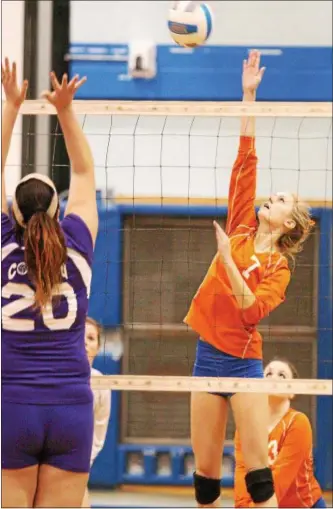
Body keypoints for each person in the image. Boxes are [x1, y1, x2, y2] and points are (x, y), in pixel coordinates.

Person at [184, 50, 314, 508]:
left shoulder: (278, 269)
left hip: (243, 365)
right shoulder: (240, 225)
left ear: (287, 224)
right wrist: (248, 95)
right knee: (204, 476)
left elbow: (252, 311)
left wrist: (228, 261)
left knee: (259, 476)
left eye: (280, 200)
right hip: (206, 357)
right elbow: (245, 159)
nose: (270, 198)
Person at [1, 58, 98, 508]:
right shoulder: (77, 243)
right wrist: (65, 110)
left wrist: (11, 107)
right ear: (58, 212)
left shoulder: (4, 246)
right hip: (71, 409)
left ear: (14, 216)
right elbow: (83, 173)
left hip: (12, 405)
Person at [234, 358, 326, 508]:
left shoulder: (298, 423)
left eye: (282, 375)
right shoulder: (246, 426)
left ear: (292, 392)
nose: (273, 378)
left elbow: (280, 482)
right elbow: (242, 474)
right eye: (268, 373)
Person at [82, 317, 111, 508]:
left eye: (91, 338)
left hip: (77, 463)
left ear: (98, 347)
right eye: (80, 336)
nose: (85, 342)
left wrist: (83, 462)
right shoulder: (52, 375)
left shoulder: (101, 382)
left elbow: (99, 430)